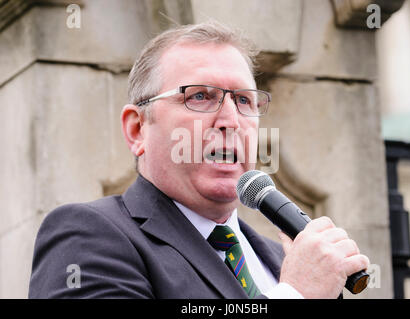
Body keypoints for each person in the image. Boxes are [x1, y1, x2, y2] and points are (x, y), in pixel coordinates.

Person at [28, 21, 369, 299]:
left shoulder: (288, 263)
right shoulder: (88, 237)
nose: (230, 119)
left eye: (244, 100)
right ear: (137, 129)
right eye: (200, 96)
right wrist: (294, 294)